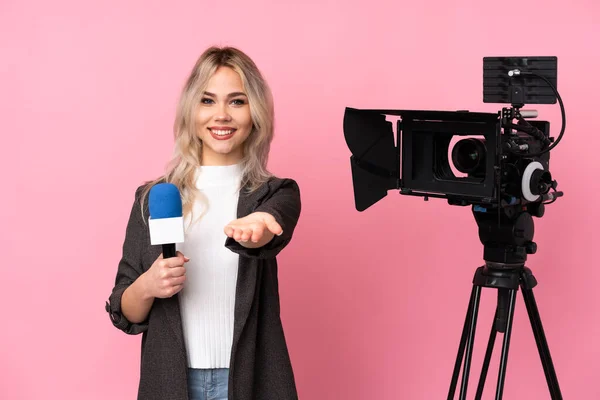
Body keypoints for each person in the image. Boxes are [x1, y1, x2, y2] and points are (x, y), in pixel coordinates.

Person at [105, 46, 301, 400]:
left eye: (237, 101)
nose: (222, 115)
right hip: (171, 382)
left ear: (255, 112)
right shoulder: (154, 198)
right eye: (208, 101)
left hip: (250, 379)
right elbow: (124, 309)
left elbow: (269, 229)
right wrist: (148, 285)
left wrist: (257, 227)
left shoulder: (274, 193)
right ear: (191, 110)